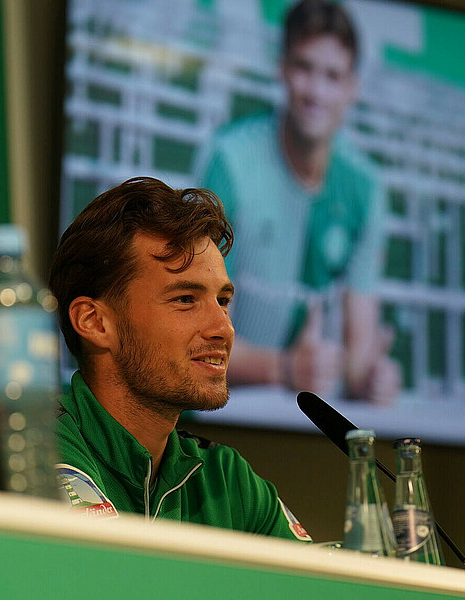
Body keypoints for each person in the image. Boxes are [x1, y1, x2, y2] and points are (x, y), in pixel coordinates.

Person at [48, 176, 311, 541]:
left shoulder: (229, 479)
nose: (224, 328)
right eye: (185, 299)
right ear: (94, 322)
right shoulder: (33, 452)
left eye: (223, 301)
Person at [199, 0, 400, 404]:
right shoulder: (231, 161)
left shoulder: (366, 187)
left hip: (307, 427)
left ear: (352, 88)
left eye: (332, 76)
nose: (316, 91)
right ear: (282, 69)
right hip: (220, 415)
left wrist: (375, 379)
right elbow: (201, 339)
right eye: (304, 68)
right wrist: (285, 368)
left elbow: (360, 357)